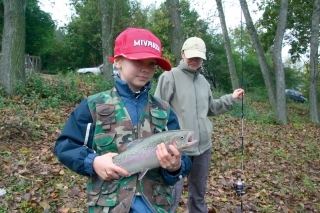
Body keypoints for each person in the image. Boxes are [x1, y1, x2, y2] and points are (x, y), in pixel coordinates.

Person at [53, 27, 193, 213]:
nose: (145, 68)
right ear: (117, 61)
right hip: (108, 205)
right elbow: (65, 146)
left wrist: (175, 167)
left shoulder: (165, 111)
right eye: (137, 61)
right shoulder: (93, 105)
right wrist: (93, 162)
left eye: (151, 63)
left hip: (154, 206)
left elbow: (182, 165)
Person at [154, 37, 244, 213]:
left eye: (199, 57)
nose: (195, 60)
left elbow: (211, 108)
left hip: (203, 147)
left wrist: (231, 98)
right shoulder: (169, 77)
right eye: (192, 56)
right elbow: (157, 112)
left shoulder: (203, 82)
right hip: (177, 149)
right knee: (172, 193)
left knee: (198, 194)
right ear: (182, 54)